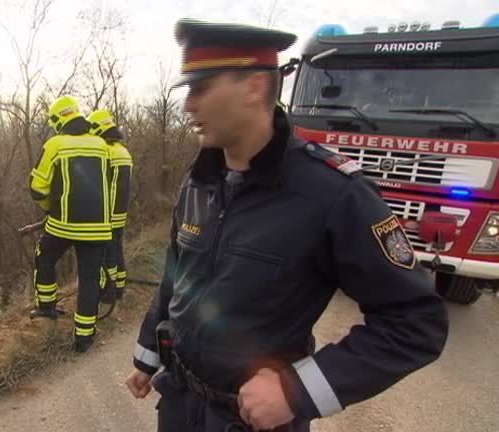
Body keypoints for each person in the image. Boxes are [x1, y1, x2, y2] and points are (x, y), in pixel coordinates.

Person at [124, 18, 449, 432]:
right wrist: (147, 357)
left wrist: (298, 391)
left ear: (255, 87)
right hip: (179, 406)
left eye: (201, 88)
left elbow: (416, 323)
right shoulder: (200, 180)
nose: (188, 105)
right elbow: (176, 275)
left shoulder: (333, 194)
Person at [29, 95, 112, 353]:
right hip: (98, 226)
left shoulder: (55, 144)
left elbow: (37, 188)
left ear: (57, 120)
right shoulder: (101, 145)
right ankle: (83, 338)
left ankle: (46, 307)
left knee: (44, 258)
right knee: (89, 279)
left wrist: (50, 209)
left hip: (63, 224)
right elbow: (107, 184)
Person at [87, 109, 133, 303]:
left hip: (107, 213)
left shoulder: (105, 152)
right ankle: (120, 288)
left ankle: (109, 291)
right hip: (120, 212)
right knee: (117, 248)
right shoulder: (123, 151)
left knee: (107, 254)